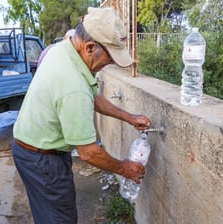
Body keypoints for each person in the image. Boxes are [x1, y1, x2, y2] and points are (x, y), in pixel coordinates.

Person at [12, 7, 151, 224]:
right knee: (60, 219)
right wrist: (125, 169)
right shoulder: (72, 85)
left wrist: (129, 118)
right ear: (90, 47)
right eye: (110, 58)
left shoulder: (63, 50)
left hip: (30, 148)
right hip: (42, 159)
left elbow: (93, 96)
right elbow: (88, 153)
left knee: (47, 214)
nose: (110, 64)